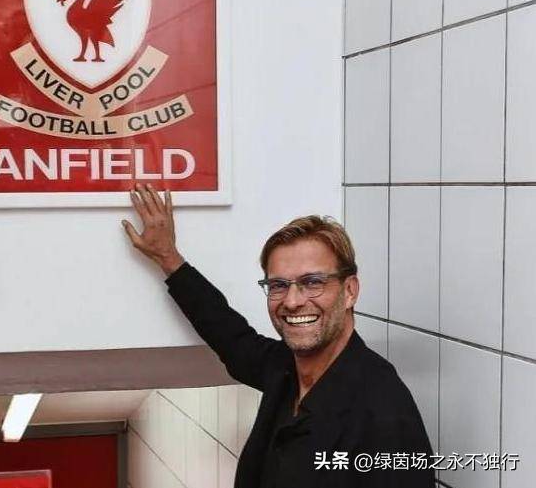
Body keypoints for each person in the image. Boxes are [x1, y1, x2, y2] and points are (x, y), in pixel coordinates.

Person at [122, 184, 435, 488]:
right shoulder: (286, 370)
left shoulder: (384, 415)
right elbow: (231, 337)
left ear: (350, 291)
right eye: (278, 286)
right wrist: (168, 258)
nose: (292, 301)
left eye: (313, 282)